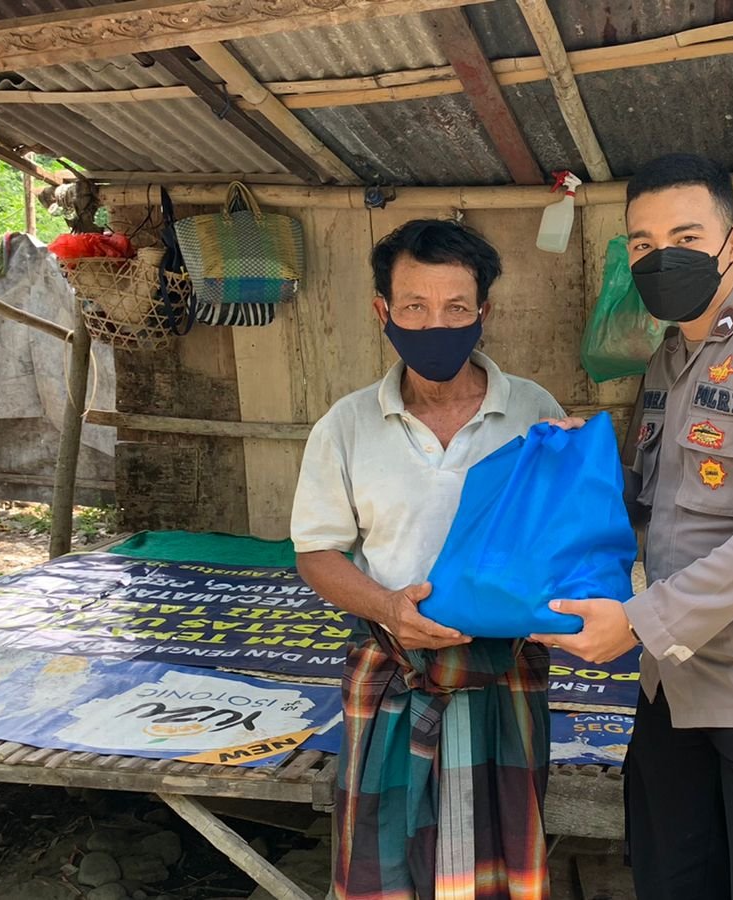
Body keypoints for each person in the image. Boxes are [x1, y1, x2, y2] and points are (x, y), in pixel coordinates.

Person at [533, 154, 733, 900]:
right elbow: (654, 501)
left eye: (685, 237)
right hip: (676, 689)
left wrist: (636, 623)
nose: (663, 257)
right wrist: (578, 465)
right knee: (671, 880)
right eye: (643, 244)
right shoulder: (668, 362)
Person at [291, 218, 570, 900]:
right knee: (383, 865)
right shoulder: (346, 425)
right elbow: (316, 552)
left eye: (455, 308)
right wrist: (388, 607)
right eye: (414, 306)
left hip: (502, 673)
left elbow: (563, 539)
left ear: (483, 314)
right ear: (382, 310)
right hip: (393, 668)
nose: (434, 324)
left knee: (497, 870)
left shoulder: (534, 413)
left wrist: (573, 464)